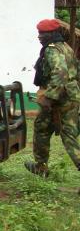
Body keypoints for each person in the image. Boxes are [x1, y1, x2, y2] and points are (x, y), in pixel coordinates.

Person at [25, 18, 80, 178]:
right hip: (71, 95)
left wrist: (49, 98)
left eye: (42, 33)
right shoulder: (66, 47)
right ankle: (41, 167)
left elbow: (60, 73)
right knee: (64, 133)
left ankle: (41, 167)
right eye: (39, 33)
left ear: (51, 34)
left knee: (43, 129)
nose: (39, 37)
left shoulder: (52, 50)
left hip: (59, 97)